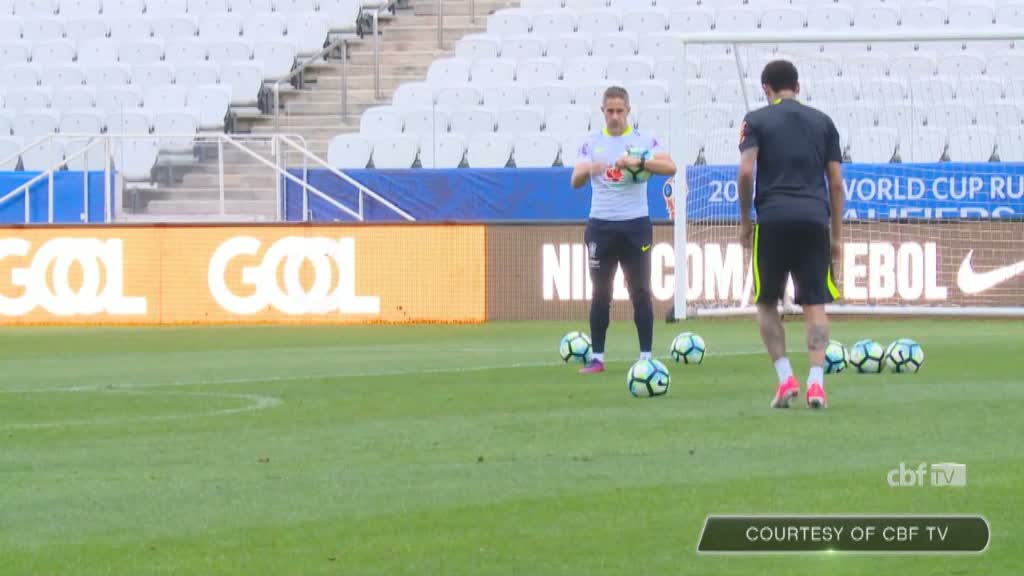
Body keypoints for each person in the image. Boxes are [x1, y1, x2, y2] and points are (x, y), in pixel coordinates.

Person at [737, 60, 846, 409]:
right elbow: (836, 183)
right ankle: (817, 384)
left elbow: (745, 172)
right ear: (797, 87)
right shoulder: (823, 122)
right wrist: (837, 236)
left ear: (766, 89)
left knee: (766, 301)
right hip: (814, 219)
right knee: (815, 303)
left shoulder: (755, 120)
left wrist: (745, 221)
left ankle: (786, 378)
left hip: (772, 219)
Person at [570, 86, 678, 374]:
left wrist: (638, 161)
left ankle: (646, 357)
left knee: (640, 291)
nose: (615, 116)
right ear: (602, 112)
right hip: (601, 225)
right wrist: (590, 168)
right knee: (600, 293)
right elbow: (575, 180)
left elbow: (670, 167)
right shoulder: (591, 143)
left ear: (628, 111)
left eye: (620, 111)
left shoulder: (643, 140)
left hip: (635, 224)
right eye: (610, 111)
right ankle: (598, 358)